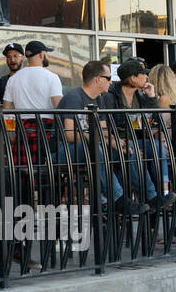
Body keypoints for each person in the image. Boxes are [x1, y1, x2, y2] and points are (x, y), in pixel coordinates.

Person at [55, 61, 152, 215]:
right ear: (97, 79)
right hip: (65, 151)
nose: (111, 81)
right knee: (95, 147)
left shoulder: (99, 99)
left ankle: (150, 196)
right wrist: (99, 139)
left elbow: (103, 131)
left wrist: (114, 141)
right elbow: (69, 134)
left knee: (128, 148)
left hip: (90, 148)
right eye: (108, 78)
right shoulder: (74, 97)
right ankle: (118, 199)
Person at [107, 59, 176, 208]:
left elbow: (156, 120)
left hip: (136, 140)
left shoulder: (141, 96)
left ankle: (163, 193)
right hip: (116, 143)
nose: (147, 77)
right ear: (133, 78)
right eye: (143, 74)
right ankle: (151, 196)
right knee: (134, 151)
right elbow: (111, 125)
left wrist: (151, 97)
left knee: (157, 146)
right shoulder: (111, 96)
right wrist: (136, 123)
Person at [2, 40, 63, 110]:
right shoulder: (52, 77)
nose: (48, 56)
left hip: (20, 120)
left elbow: (6, 108)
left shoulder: (13, 79)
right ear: (42, 54)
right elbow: (59, 107)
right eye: (47, 53)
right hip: (45, 120)